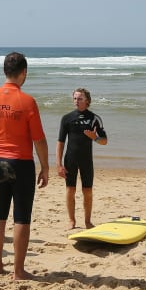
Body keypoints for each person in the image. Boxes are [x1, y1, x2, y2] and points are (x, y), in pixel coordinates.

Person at [0, 52, 49, 280]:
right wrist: (45, 167)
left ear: (5, 71)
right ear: (24, 72)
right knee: (21, 217)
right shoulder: (27, 101)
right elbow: (39, 139)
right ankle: (18, 271)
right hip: (22, 164)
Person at [56, 87, 108, 229]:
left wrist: (95, 137)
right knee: (70, 190)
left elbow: (104, 141)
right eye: (75, 98)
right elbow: (60, 142)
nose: (76, 101)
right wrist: (59, 164)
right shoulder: (67, 118)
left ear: (87, 101)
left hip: (86, 161)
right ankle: (71, 221)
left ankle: (87, 221)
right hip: (70, 159)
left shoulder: (94, 118)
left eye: (80, 99)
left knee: (87, 191)